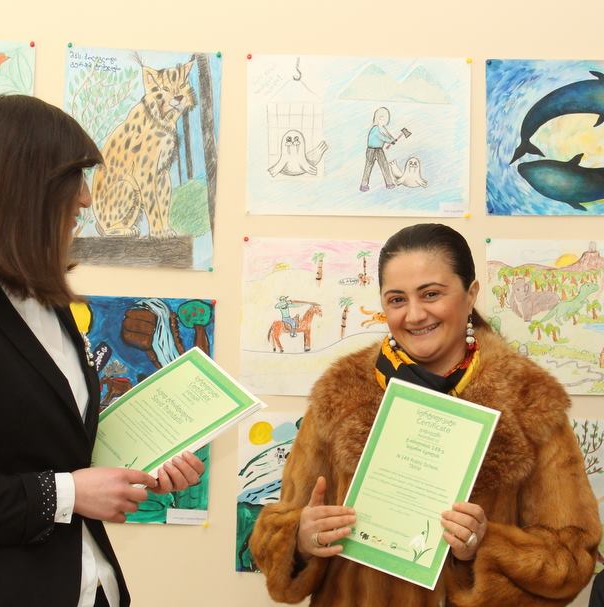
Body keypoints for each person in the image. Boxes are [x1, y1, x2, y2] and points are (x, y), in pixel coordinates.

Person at [0, 94, 204, 607]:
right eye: (74, 179)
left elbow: (51, 447)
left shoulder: (46, 302)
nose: (87, 200)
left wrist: (146, 466)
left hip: (90, 585)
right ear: (20, 187)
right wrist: (69, 493)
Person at [250, 223, 600, 606]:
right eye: (397, 300)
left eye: (431, 294)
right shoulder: (341, 392)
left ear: (470, 295)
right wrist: (300, 539)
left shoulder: (528, 399)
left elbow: (571, 557)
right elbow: (276, 531)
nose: (415, 315)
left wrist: (484, 545)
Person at [359, 106, 396, 192]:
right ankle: (364, 185)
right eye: (383, 119)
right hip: (371, 150)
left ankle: (389, 183)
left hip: (379, 150)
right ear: (378, 118)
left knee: (384, 165)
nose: (385, 122)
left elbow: (387, 135)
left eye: (386, 120)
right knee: (368, 166)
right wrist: (389, 141)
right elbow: (381, 137)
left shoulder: (383, 128)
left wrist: (392, 139)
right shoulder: (375, 128)